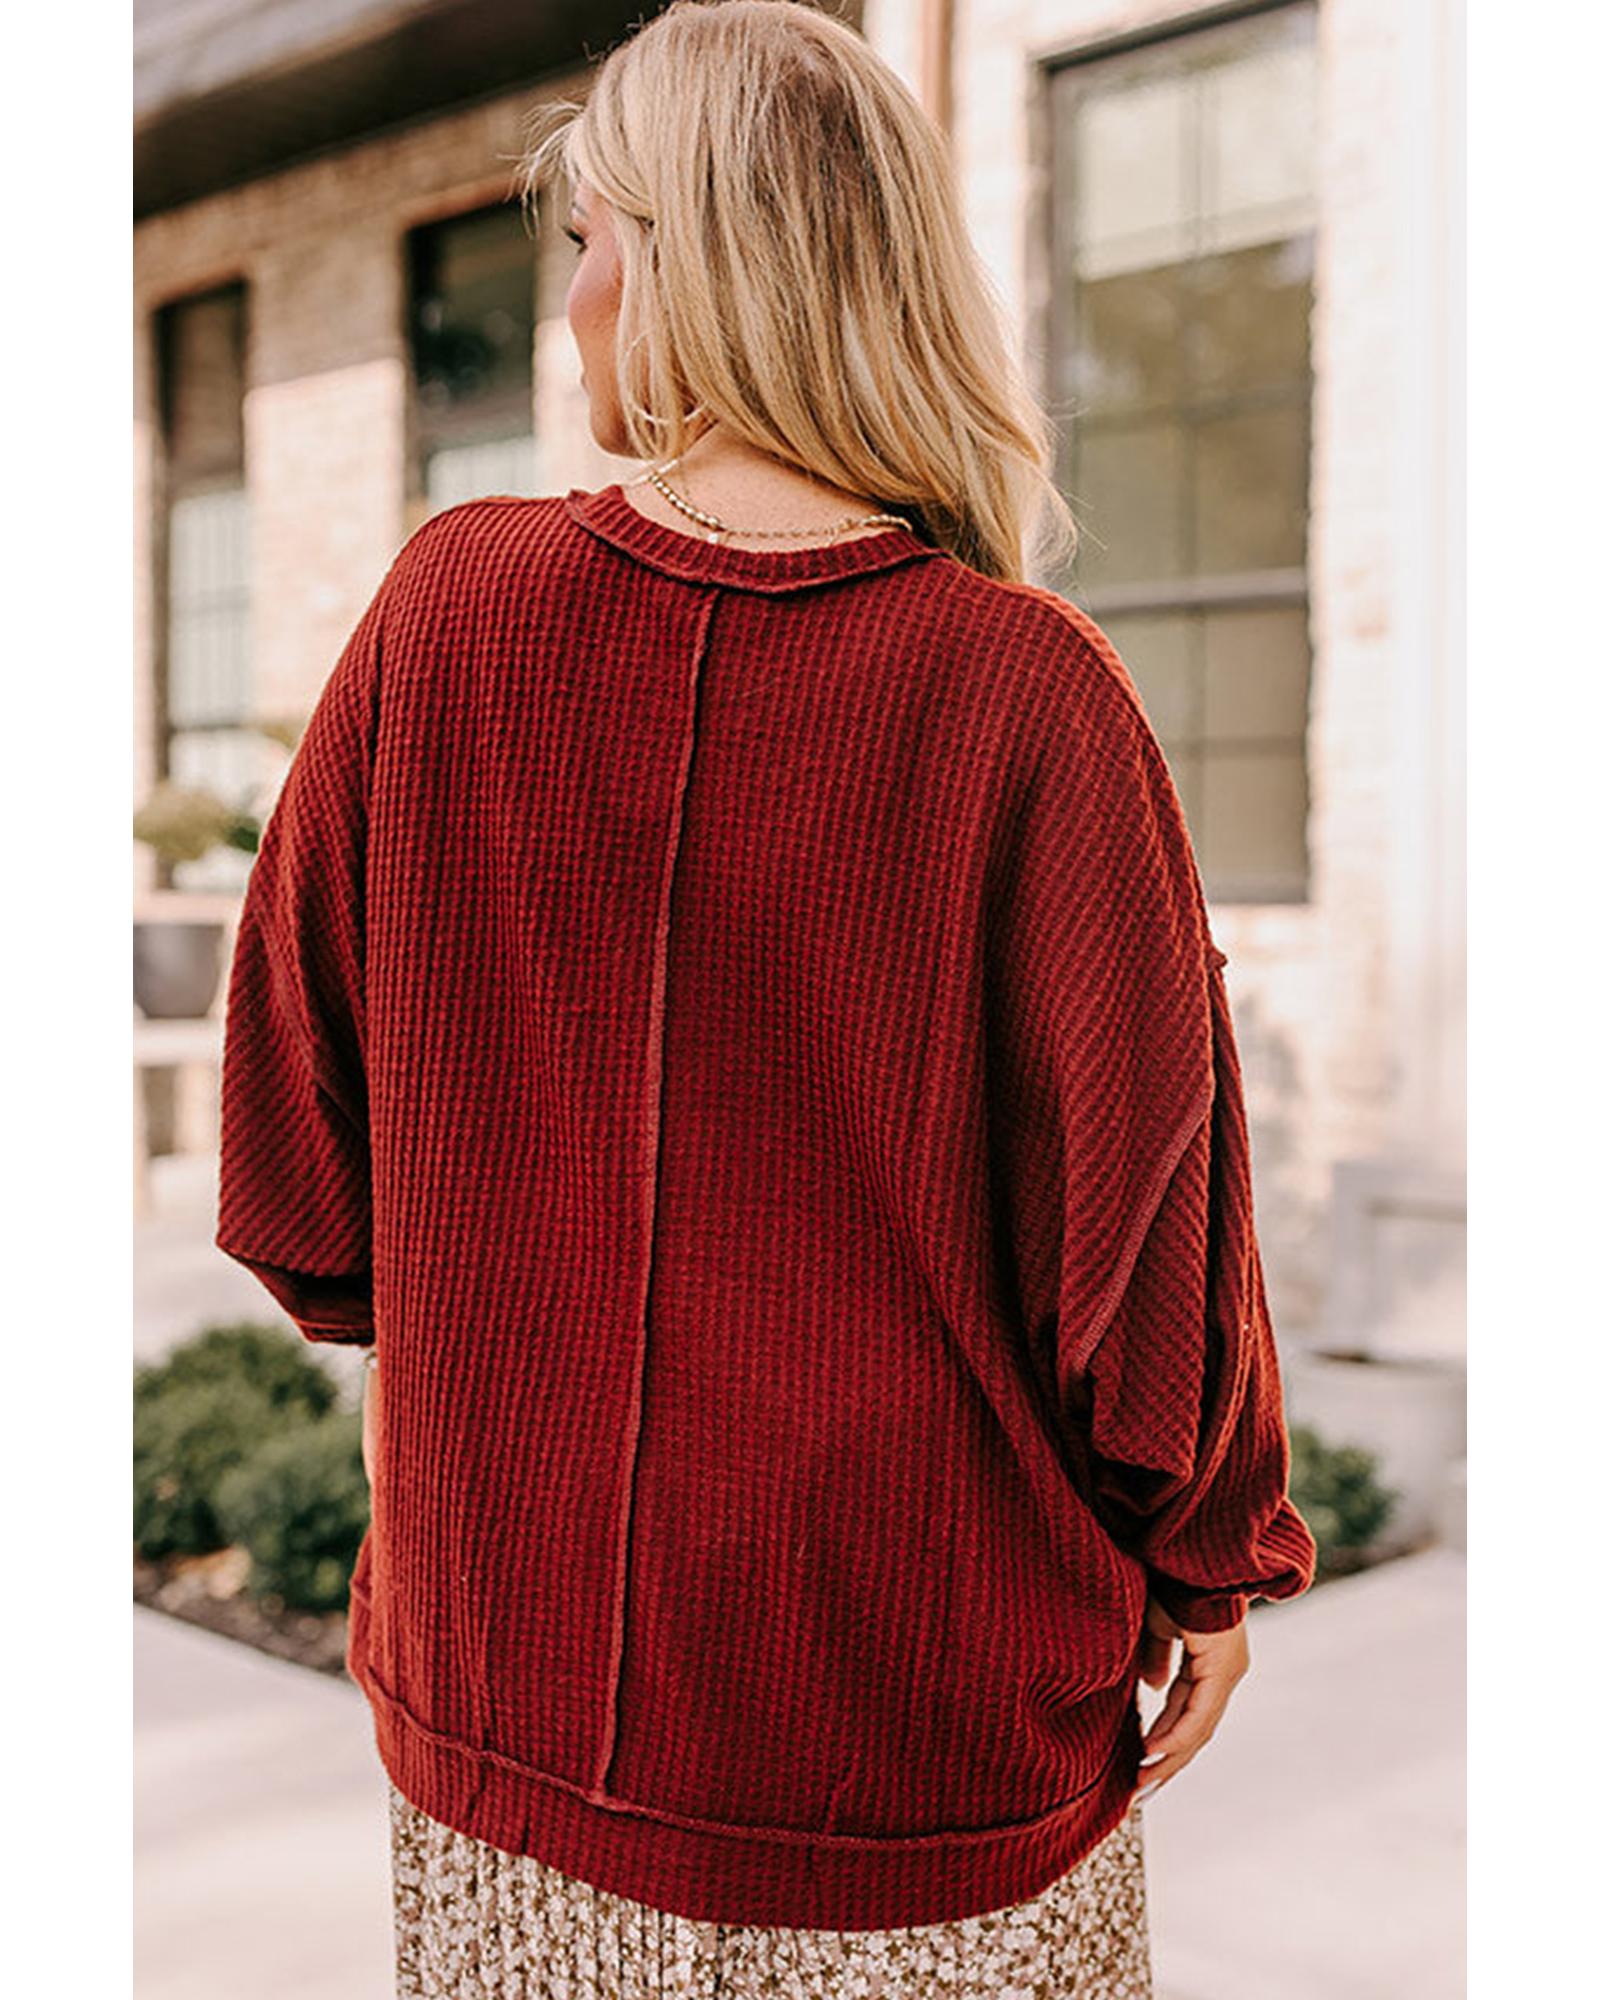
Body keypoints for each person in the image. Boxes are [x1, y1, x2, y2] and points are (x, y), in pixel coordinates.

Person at [214, 4, 1317, 1995]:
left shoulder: (446, 618)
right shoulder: (1032, 697)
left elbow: (297, 1159)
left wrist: (484, 1373)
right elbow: (1149, 1250)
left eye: (586, 241)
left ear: (679, 264)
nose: (571, 298)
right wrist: (1211, 1555)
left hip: (504, 1715)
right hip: (920, 1742)